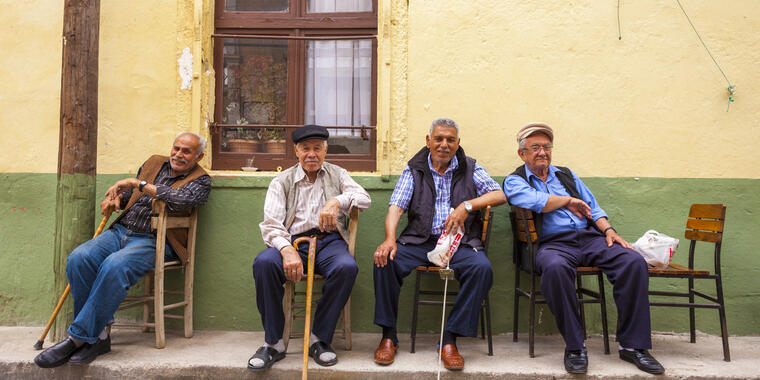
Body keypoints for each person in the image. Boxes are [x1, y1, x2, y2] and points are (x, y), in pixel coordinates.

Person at [34, 132, 211, 368]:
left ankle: (77, 338)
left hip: (154, 241)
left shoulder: (201, 180)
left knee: (115, 265)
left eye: (186, 151)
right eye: (176, 148)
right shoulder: (154, 162)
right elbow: (132, 195)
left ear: (199, 156)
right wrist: (117, 198)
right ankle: (99, 337)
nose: (178, 154)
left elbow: (180, 199)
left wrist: (139, 184)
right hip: (120, 232)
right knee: (79, 258)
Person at [503, 122, 665, 375]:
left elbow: (593, 207)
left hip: (589, 238)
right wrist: (566, 201)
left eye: (546, 147)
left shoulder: (566, 175)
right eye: (535, 147)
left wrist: (609, 231)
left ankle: (633, 346)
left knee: (632, 261)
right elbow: (536, 201)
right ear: (522, 153)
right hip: (553, 244)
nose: (542, 152)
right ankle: (575, 346)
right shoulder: (515, 181)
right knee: (555, 269)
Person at [372, 118, 506, 371]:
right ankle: (388, 336)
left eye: (450, 140)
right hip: (420, 240)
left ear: (457, 143)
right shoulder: (414, 169)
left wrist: (467, 206)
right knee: (384, 260)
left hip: (460, 242)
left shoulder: (470, 167)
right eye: (439, 139)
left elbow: (499, 194)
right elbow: (396, 207)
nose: (444, 145)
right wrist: (389, 239)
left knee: (482, 269)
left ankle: (449, 339)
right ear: (428, 141)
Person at [249, 124, 370, 371]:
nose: (311, 154)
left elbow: (364, 199)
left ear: (325, 150)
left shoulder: (338, 174)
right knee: (264, 263)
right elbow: (271, 225)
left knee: (347, 267)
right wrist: (286, 249)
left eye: (317, 148)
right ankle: (273, 343)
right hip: (292, 241)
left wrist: (337, 200)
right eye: (305, 148)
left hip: (329, 242)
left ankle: (319, 339)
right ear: (296, 151)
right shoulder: (281, 181)